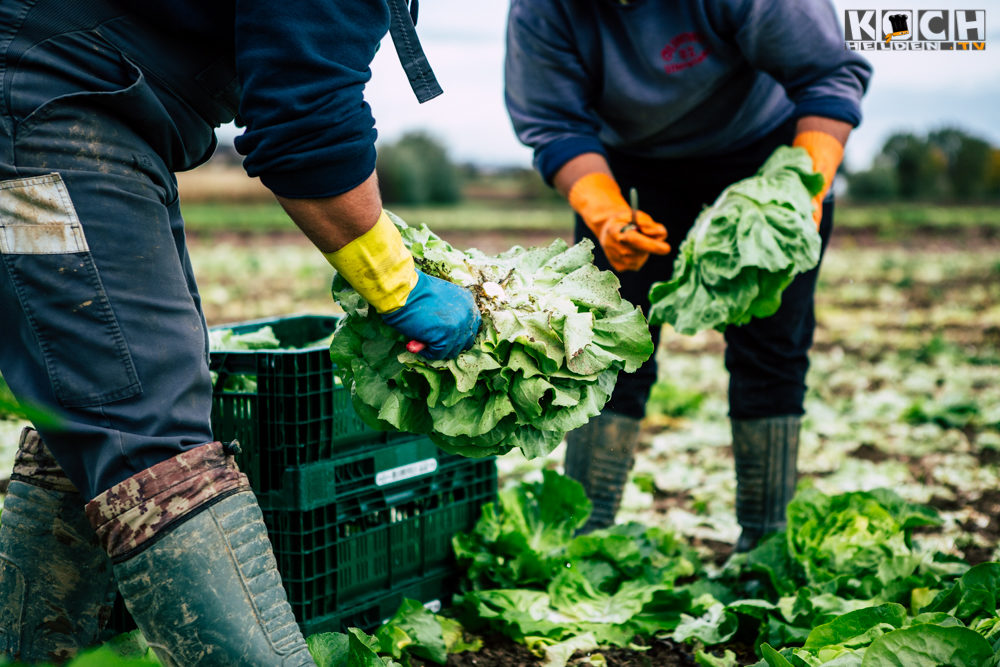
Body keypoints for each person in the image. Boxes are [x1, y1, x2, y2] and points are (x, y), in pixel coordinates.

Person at [0, 1, 479, 664]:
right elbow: (304, 117)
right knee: (146, 426)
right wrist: (398, 282)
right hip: (38, 113)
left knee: (99, 402)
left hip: (69, 107)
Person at [505, 0, 872, 545]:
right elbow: (554, 124)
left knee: (770, 348)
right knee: (602, 346)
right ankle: (583, 537)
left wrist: (801, 193)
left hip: (762, 154)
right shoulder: (543, 10)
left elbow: (828, 75)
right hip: (626, 168)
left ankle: (764, 544)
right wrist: (606, 216)